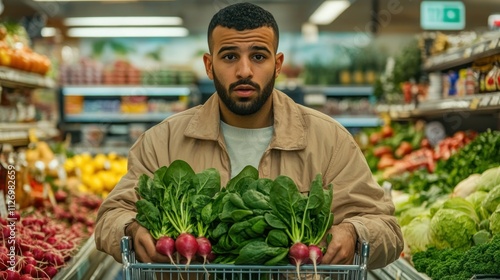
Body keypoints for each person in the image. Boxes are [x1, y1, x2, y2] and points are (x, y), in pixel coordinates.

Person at [94, 2, 403, 270]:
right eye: (229, 57)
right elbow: (111, 216)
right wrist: (131, 229)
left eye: (258, 56)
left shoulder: (329, 139)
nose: (244, 71)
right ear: (209, 65)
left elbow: (387, 228)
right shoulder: (162, 141)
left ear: (278, 64)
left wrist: (354, 232)